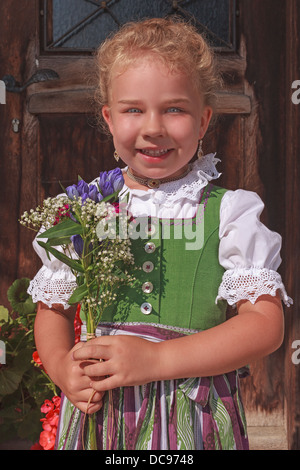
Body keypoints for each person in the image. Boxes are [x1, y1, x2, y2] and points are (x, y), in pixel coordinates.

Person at [29, 18, 292, 450]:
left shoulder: (228, 211)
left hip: (194, 415)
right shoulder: (82, 210)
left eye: (174, 108)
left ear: (204, 120)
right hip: (104, 418)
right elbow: (52, 309)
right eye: (133, 110)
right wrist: (62, 369)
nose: (153, 126)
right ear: (109, 120)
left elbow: (265, 326)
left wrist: (158, 358)